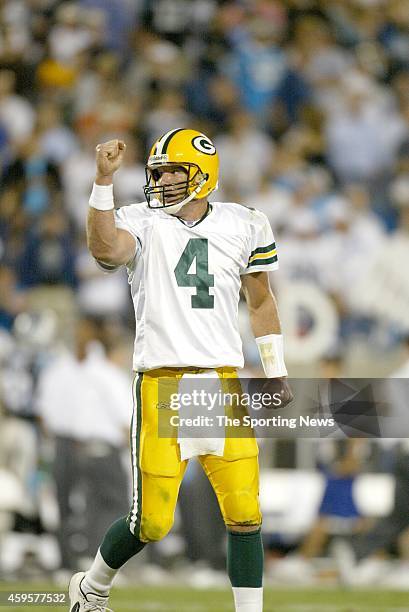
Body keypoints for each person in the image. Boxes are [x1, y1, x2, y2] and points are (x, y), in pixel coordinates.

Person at [68, 128, 292, 612]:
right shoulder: (142, 221)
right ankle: (93, 586)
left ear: (203, 175)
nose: (164, 179)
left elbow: (261, 301)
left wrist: (275, 369)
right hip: (163, 383)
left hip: (221, 382)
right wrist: (103, 181)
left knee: (245, 512)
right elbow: (105, 249)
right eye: (158, 171)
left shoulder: (245, 223)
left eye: (173, 170)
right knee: (151, 521)